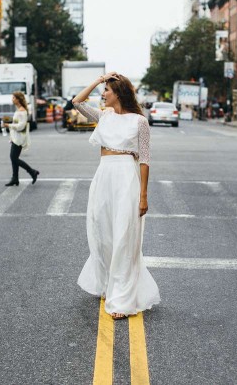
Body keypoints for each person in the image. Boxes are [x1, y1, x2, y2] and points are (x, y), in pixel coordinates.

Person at [73, 72, 160, 320]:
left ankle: (121, 298)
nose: (103, 94)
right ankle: (108, 283)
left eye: (107, 91)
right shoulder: (104, 116)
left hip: (126, 180)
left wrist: (143, 195)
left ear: (119, 93)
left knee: (124, 236)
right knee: (102, 234)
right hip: (103, 177)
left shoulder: (139, 122)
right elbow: (77, 102)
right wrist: (99, 80)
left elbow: (145, 160)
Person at [1, 91, 39, 187]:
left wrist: (8, 125)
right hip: (15, 137)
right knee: (14, 158)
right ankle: (15, 178)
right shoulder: (19, 110)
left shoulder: (22, 111)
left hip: (19, 138)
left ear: (18, 99)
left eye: (13, 98)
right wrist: (9, 120)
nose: (12, 99)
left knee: (14, 158)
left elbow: (21, 126)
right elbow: (17, 122)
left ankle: (32, 172)